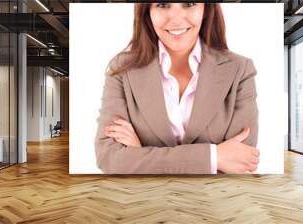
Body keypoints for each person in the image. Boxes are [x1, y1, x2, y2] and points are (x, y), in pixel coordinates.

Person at [95, 3, 260, 174]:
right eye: (162, 4)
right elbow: (110, 158)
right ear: (147, 12)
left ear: (206, 9)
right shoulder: (122, 69)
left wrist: (140, 154)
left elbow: (242, 161)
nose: (176, 18)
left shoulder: (240, 70)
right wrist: (213, 158)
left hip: (215, 198)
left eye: (189, 3)